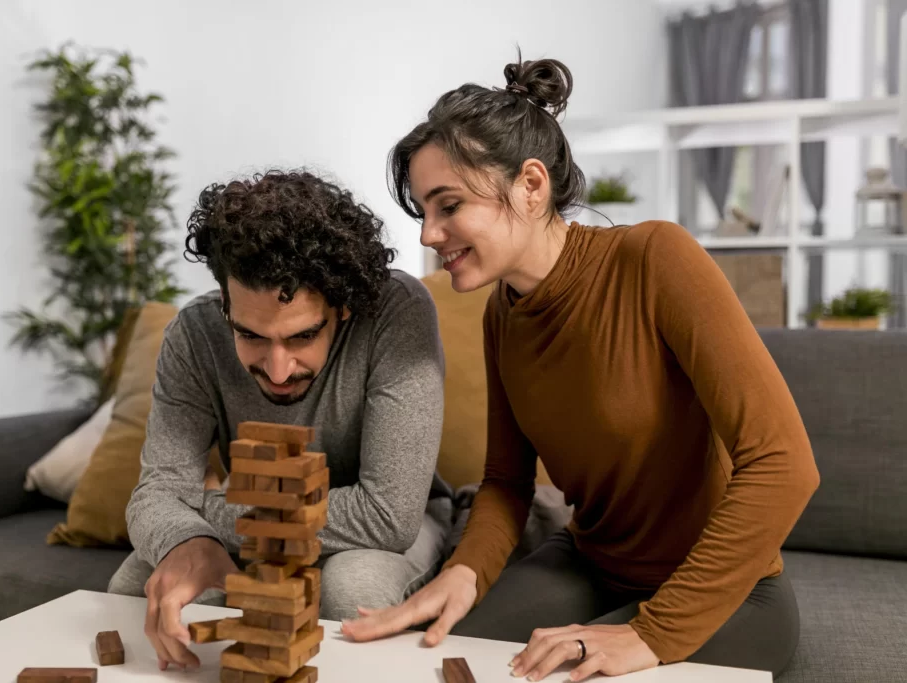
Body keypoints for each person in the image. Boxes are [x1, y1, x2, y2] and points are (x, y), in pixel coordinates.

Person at [342, 55, 820, 682]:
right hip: (588, 566)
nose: (430, 234)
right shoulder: (501, 314)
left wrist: (651, 633)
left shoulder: (655, 259)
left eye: (448, 205)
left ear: (531, 185)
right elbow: (506, 483)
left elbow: (784, 464)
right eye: (423, 213)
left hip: (728, 592)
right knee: (443, 664)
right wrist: (463, 574)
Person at [108, 170, 450, 671]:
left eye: (302, 337)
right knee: (134, 586)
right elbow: (158, 490)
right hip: (261, 521)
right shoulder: (195, 334)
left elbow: (387, 515)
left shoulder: (397, 311)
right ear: (225, 300)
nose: (278, 369)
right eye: (250, 335)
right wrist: (189, 540)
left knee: (351, 587)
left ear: (344, 307)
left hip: (383, 531)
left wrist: (208, 511)